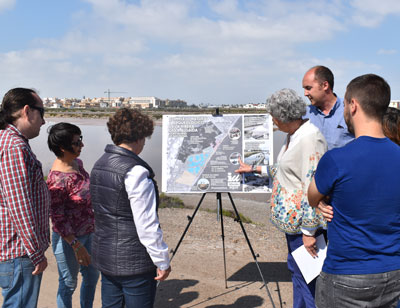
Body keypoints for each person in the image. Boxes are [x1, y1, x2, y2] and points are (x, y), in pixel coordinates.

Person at [308, 74, 400, 307]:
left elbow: (311, 196)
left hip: (346, 274)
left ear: (353, 105)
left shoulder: (337, 159)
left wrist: (321, 199)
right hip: (394, 272)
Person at [236, 88, 327, 308]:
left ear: (282, 117)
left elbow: (312, 185)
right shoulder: (295, 135)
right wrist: (255, 168)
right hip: (293, 226)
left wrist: (309, 232)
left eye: (274, 118)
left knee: (308, 280)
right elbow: (287, 170)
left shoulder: (309, 139)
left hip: (302, 228)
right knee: (298, 273)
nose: (273, 122)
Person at [90, 108, 171, 308]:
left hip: (105, 256)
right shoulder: (136, 172)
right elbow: (147, 224)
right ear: (139, 137)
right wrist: (162, 260)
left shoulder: (99, 164)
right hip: (134, 262)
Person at [0, 88, 50, 307]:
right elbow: (19, 205)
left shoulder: (10, 141)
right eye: (42, 112)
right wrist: (35, 251)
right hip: (19, 251)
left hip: (15, 249)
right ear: (27, 111)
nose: (44, 121)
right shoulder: (13, 146)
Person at [46, 122, 99, 308]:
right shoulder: (57, 180)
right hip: (69, 241)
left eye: (80, 139)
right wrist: (76, 245)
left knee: (92, 276)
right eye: (77, 142)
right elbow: (58, 219)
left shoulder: (77, 163)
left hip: (88, 232)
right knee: (68, 284)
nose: (82, 145)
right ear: (62, 147)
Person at [302, 65, 354, 150]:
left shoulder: (350, 110)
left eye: (308, 88)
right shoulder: (304, 114)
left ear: (325, 85)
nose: (305, 93)